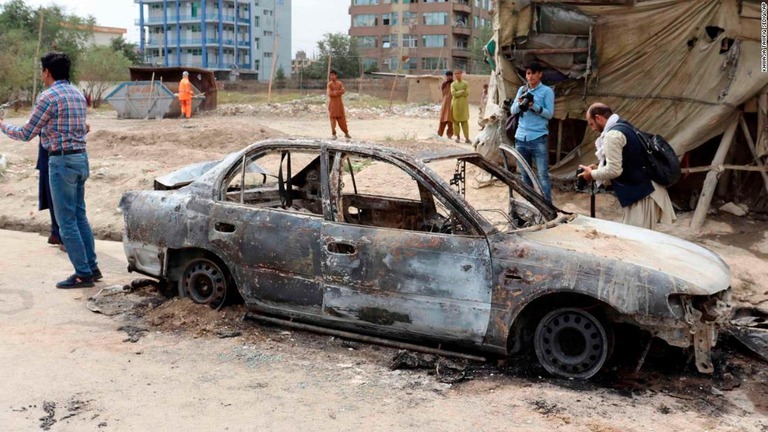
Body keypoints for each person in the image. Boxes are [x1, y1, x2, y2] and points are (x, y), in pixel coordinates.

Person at [0, 52, 101, 288]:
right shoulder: (77, 94)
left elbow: (26, 133)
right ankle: (92, 267)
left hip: (62, 162)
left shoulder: (48, 97)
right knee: (79, 216)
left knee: (66, 222)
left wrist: (2, 125)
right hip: (80, 159)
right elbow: (80, 127)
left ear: (47, 72)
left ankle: (83, 274)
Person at [578, 103, 676, 230]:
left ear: (598, 118)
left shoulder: (612, 135)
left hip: (643, 193)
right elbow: (627, 160)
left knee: (638, 241)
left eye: (591, 124)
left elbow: (614, 170)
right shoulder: (623, 126)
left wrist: (591, 174)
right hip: (642, 190)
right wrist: (598, 168)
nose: (592, 128)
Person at [510, 61, 555, 202]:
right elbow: (512, 111)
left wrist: (533, 106)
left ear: (540, 74)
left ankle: (547, 206)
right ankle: (530, 204)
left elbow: (550, 114)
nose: (530, 76)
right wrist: (519, 103)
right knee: (524, 175)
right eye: (528, 73)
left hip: (538, 137)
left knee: (542, 175)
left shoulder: (547, 91)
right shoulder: (522, 90)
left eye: (533, 73)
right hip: (520, 138)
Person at [327, 69, 351, 140]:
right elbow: (330, 94)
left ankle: (346, 133)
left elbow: (343, 91)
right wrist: (337, 92)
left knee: (342, 121)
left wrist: (336, 92)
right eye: (330, 75)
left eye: (333, 75)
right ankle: (334, 134)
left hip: (339, 105)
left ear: (336, 75)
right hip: (332, 106)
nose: (332, 76)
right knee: (333, 121)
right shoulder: (329, 84)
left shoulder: (339, 83)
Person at [450, 69, 471, 144]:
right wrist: (461, 91)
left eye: (458, 73)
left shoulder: (465, 83)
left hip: (464, 105)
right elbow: (453, 93)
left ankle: (467, 138)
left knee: (465, 121)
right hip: (455, 105)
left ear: (461, 74)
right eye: (455, 74)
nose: (457, 75)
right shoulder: (453, 84)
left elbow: (467, 93)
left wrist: (458, 93)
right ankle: (457, 137)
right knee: (456, 122)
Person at [437, 70, 454, 139]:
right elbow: (443, 94)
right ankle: (439, 134)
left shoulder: (454, 84)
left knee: (451, 120)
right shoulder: (444, 84)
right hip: (445, 103)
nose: (448, 77)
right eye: (447, 76)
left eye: (450, 76)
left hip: (452, 103)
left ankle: (449, 135)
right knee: (442, 119)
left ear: (452, 76)